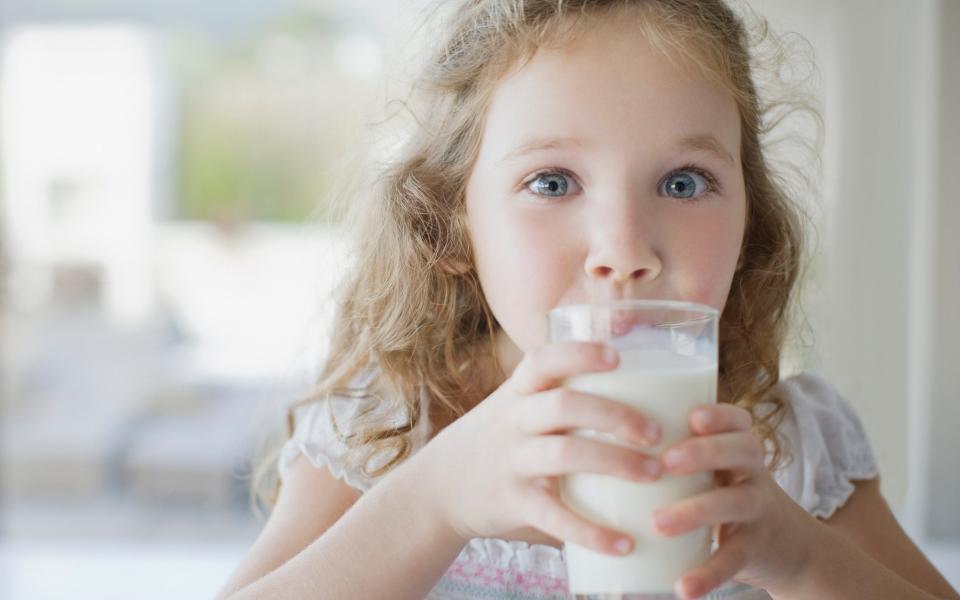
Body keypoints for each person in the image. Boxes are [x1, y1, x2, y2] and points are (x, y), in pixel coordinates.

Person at [216, 1, 959, 598]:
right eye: (552, 182)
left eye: (683, 183)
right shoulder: (384, 431)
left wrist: (803, 560)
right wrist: (431, 501)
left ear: (749, 227)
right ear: (449, 225)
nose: (626, 251)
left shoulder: (786, 449)